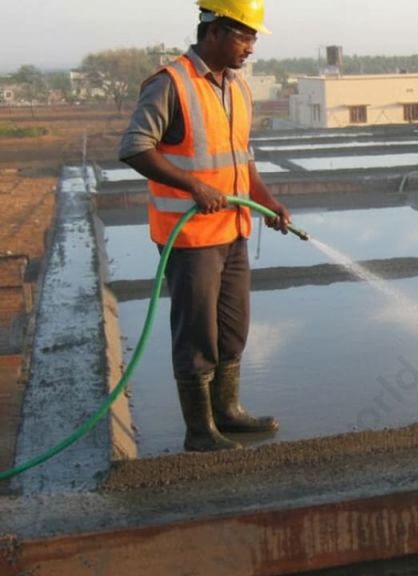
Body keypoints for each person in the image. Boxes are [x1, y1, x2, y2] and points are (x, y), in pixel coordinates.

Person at [119, 0, 289, 452]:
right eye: (243, 35)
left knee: (233, 329)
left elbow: (240, 158)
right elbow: (135, 148)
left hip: (234, 230)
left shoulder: (237, 87)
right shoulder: (171, 83)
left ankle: (227, 412)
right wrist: (192, 185)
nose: (251, 47)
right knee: (197, 333)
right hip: (191, 237)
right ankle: (200, 431)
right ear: (212, 30)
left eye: (254, 37)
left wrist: (267, 201)